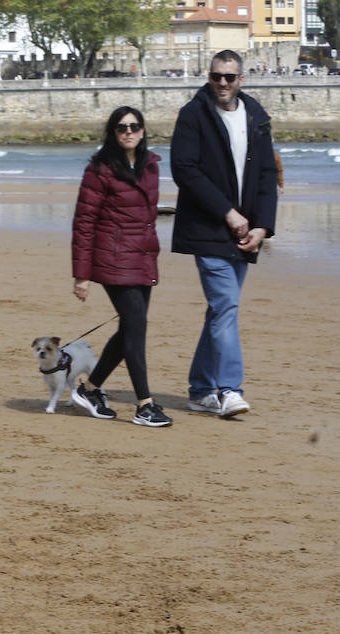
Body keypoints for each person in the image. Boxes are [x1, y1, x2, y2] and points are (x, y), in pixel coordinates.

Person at [171, 49, 277, 418]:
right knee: (226, 307)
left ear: (241, 80)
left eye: (230, 77)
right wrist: (228, 213)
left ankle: (201, 390)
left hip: (245, 231)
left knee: (221, 311)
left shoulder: (256, 117)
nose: (222, 83)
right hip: (207, 228)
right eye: (216, 76)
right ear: (209, 76)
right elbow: (184, 170)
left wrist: (262, 225)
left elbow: (266, 174)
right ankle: (229, 389)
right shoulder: (192, 115)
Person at [70, 106, 172, 428]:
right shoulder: (100, 170)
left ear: (143, 130)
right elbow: (84, 222)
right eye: (121, 127)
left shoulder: (152, 166)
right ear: (112, 133)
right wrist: (81, 275)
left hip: (143, 257)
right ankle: (145, 404)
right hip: (113, 259)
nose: (128, 131)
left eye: (134, 126)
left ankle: (90, 389)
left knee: (130, 327)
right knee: (136, 328)